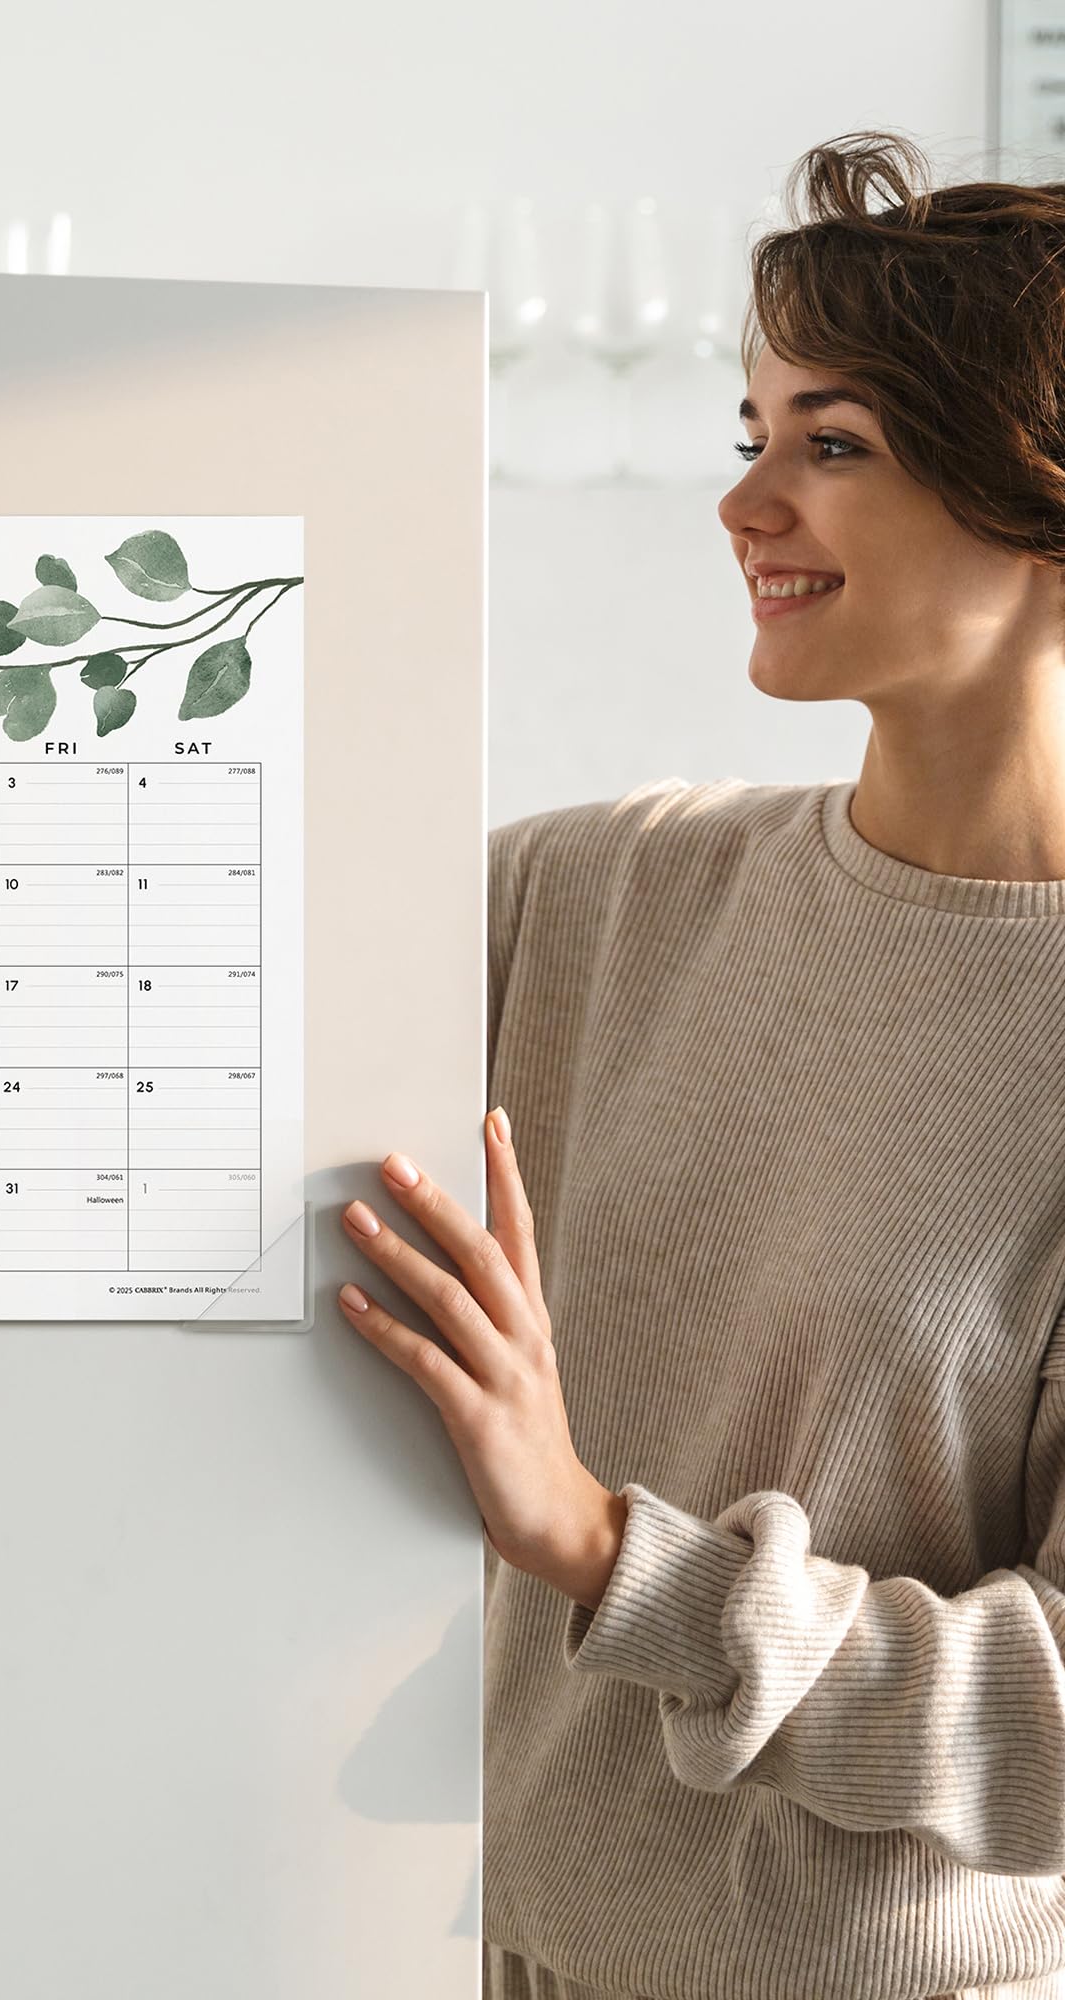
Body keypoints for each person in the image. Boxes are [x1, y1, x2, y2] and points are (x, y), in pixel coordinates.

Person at [335, 130, 1065, 2000]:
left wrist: (604, 1554)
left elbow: (1052, 1725)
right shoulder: (603, 892)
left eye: (835, 445)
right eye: (751, 435)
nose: (745, 503)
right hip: (504, 1959)